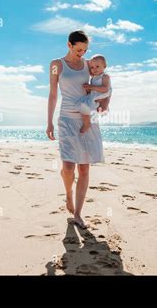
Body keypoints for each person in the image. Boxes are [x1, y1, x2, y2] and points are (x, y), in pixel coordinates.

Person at [46, 30, 107, 229]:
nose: (82, 53)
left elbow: (105, 82)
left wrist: (105, 103)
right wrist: (49, 122)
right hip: (66, 120)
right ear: (69, 45)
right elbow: (53, 94)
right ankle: (68, 195)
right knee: (69, 168)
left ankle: (79, 214)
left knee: (84, 167)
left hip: (86, 119)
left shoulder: (89, 65)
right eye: (79, 49)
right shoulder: (57, 65)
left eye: (85, 50)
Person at [75, 54, 112, 133]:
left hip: (102, 94)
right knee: (82, 105)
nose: (94, 69)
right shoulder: (93, 78)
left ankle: (89, 122)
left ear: (104, 66)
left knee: (87, 106)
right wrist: (88, 89)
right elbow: (92, 91)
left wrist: (91, 87)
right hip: (95, 96)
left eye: (97, 66)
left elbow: (105, 88)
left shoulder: (105, 76)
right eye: (92, 67)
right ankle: (88, 122)